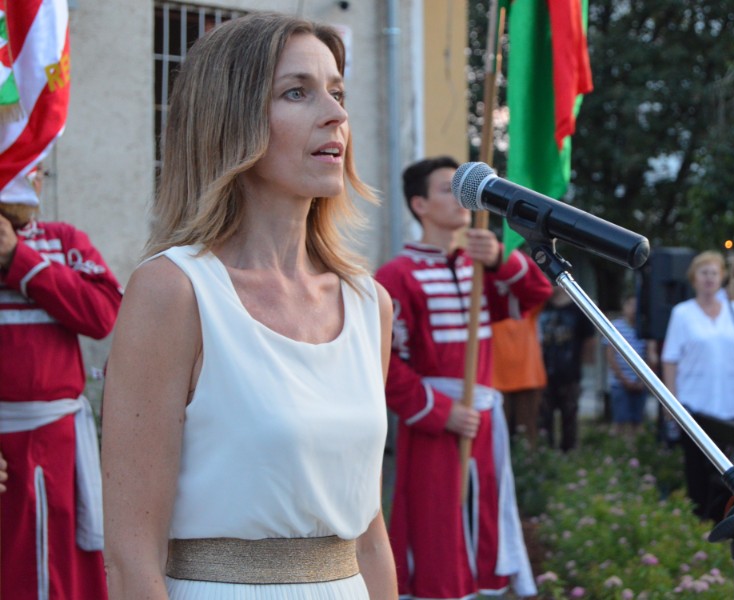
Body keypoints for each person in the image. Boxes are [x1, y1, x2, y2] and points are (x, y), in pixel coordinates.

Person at [100, 14, 396, 599]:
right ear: (229, 120)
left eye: (337, 93)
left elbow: (369, 536)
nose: (336, 115)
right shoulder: (174, 292)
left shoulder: (369, 303)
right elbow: (132, 557)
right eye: (297, 93)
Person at [376, 156, 549, 599]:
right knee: (435, 524)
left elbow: (536, 293)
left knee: (483, 519)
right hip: (433, 423)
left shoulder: (480, 267)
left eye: (461, 189)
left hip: (484, 419)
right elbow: (383, 363)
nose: (459, 199)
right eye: (445, 189)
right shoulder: (395, 276)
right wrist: (439, 412)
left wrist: (500, 259)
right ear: (419, 205)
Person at [0, 165, 122, 599]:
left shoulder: (64, 241)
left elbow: (103, 315)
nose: (34, 181)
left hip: (60, 445)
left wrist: (21, 261)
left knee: (64, 572)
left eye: (37, 171)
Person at [661, 251, 734, 519]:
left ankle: (723, 521)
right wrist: (671, 400)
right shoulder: (682, 313)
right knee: (696, 469)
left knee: (726, 470)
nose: (709, 278)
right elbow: (670, 359)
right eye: (704, 273)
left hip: (727, 404)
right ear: (694, 279)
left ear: (722, 277)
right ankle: (698, 521)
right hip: (694, 404)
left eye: (714, 273)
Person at [540, 285, 597, 450]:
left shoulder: (578, 309)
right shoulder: (541, 306)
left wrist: (586, 365)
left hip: (570, 374)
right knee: (544, 418)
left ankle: (569, 454)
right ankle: (546, 453)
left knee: (570, 418)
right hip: (543, 374)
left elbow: (589, 340)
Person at [492, 303, 547, 447]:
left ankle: (528, 460)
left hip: (527, 380)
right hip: (498, 382)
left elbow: (541, 293)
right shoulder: (492, 310)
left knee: (526, 436)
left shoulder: (527, 310)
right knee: (497, 436)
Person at [605, 291, 655, 435]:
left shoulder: (645, 328)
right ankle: (618, 446)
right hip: (619, 382)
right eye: (630, 304)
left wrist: (642, 381)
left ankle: (635, 446)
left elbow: (649, 355)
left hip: (640, 382)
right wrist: (623, 379)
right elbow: (610, 356)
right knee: (619, 421)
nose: (634, 308)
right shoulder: (615, 327)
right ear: (624, 306)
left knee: (637, 422)